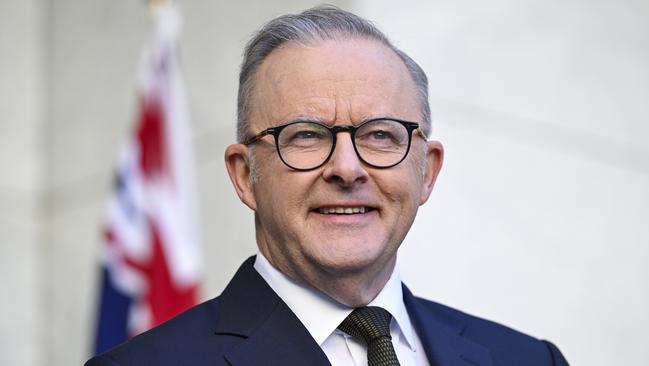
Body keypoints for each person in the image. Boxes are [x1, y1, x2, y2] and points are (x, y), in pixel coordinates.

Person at [86, 6, 569, 366]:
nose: (347, 168)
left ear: (427, 170)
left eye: (380, 135)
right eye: (306, 136)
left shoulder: (526, 359)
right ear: (243, 175)